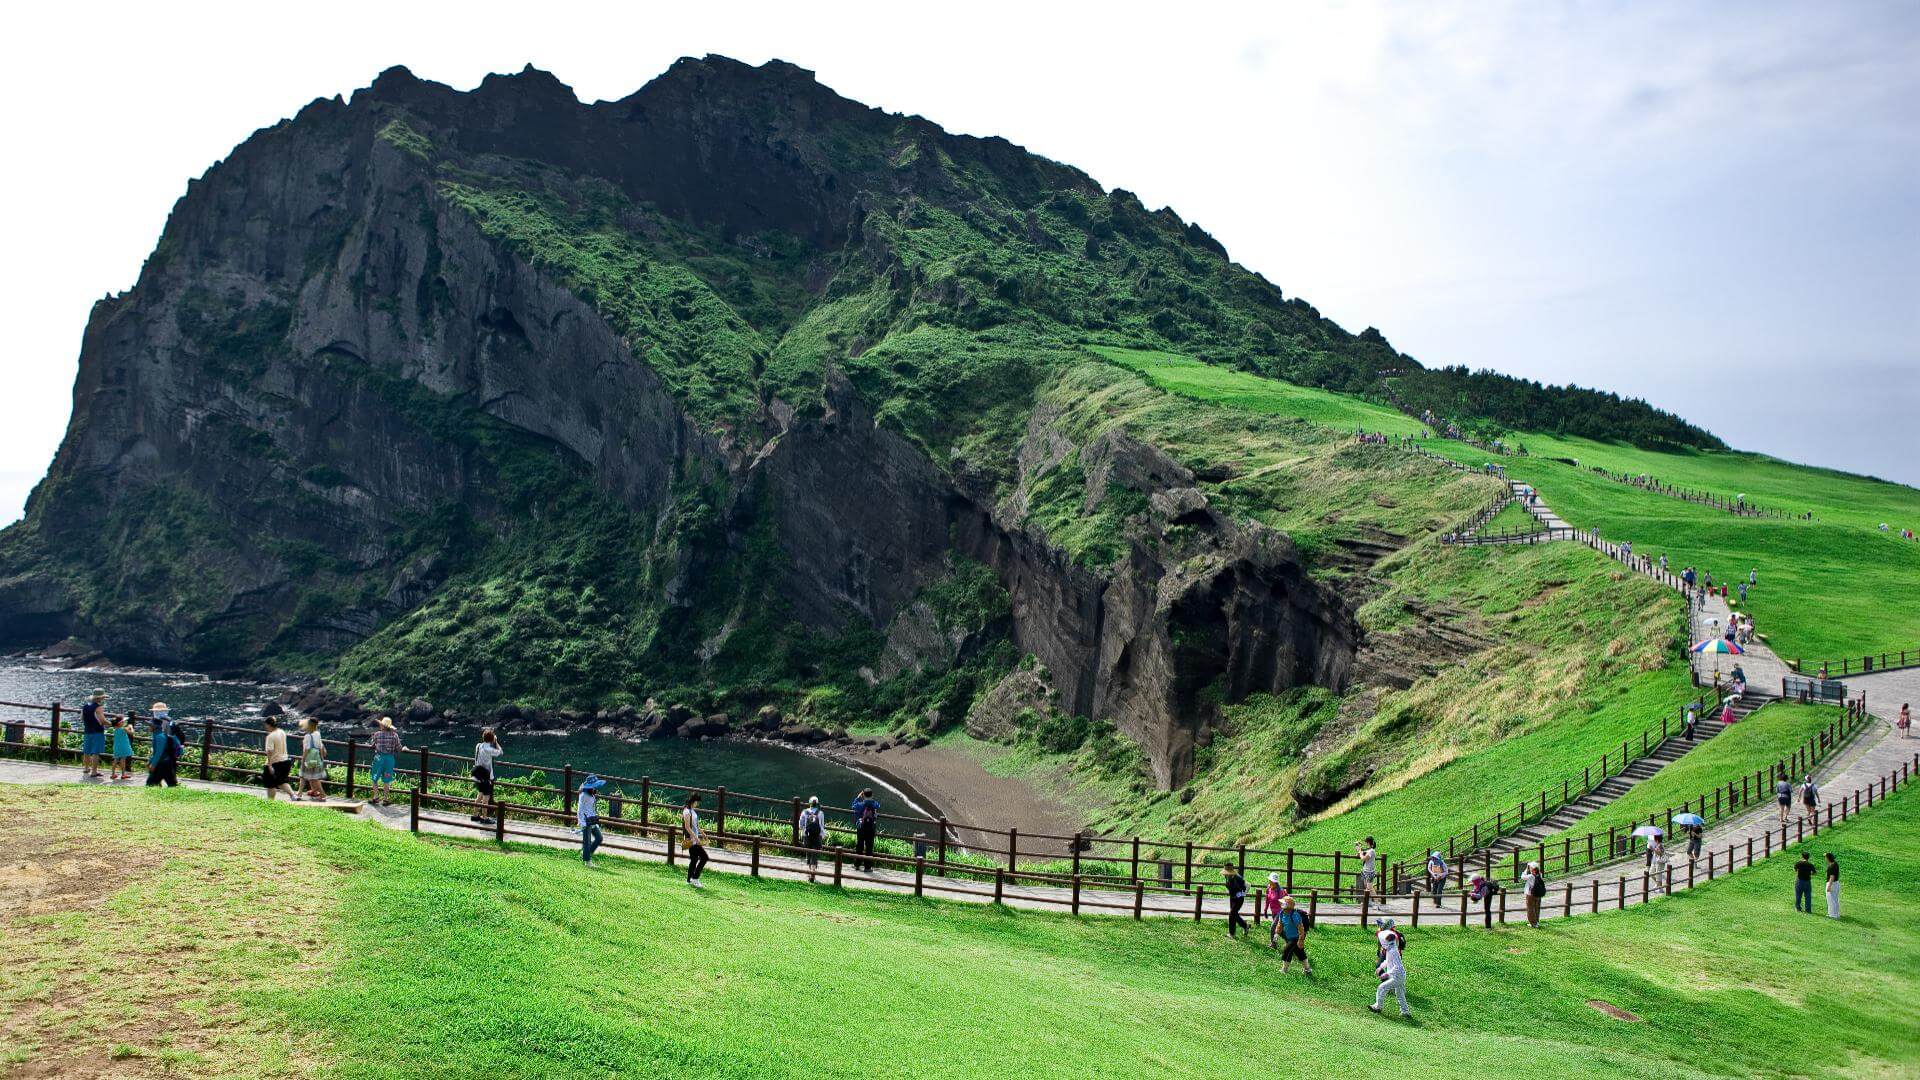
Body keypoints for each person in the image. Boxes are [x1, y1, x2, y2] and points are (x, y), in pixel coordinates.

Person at [1369, 918, 1410, 1018]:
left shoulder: (1392, 950)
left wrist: (1385, 974)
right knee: (1400, 994)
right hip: (1400, 975)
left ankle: (1378, 1007)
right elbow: (1386, 962)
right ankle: (1405, 1012)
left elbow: (1393, 966)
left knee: (1382, 988)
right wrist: (1379, 969)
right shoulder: (1390, 950)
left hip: (1397, 976)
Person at [145, 703, 183, 787]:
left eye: (150, 726)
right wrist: (151, 761)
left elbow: (159, 751)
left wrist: (153, 763)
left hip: (163, 761)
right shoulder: (166, 725)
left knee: (151, 783)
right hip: (166, 760)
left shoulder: (160, 736)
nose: (148, 727)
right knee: (171, 783)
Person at [368, 717, 403, 807]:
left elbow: (372, 745)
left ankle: (376, 797)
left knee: (374, 778)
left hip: (378, 758)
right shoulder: (395, 735)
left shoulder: (377, 734)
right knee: (386, 780)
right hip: (389, 760)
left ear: (383, 725)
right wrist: (404, 748)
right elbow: (399, 749)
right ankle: (385, 799)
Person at [471, 729, 503, 824]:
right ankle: (484, 818)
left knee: (479, 795)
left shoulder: (478, 746)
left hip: (478, 775)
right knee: (486, 798)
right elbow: (500, 752)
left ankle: (475, 815)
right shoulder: (488, 749)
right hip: (486, 777)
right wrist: (496, 742)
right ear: (491, 739)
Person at [1275, 895, 1312, 974]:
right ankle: (1307, 969)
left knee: (1287, 950)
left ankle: (1284, 969)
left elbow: (1301, 928)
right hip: (1289, 937)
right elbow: (1280, 924)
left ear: (1289, 905)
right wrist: (1276, 934)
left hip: (1296, 937)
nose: (1281, 904)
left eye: (1283, 903)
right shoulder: (1282, 913)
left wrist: (1301, 940)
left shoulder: (1294, 915)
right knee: (1300, 953)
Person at [261, 716, 294, 799]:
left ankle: (270, 801)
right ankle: (293, 795)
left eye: (265, 725)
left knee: (270, 784)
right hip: (285, 761)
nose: (265, 727)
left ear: (268, 725)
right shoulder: (282, 732)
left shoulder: (270, 736)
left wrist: (269, 765)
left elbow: (270, 751)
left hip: (275, 762)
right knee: (281, 782)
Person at [297, 718, 328, 801]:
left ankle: (322, 794)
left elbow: (306, 750)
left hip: (308, 759)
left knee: (304, 776)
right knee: (314, 777)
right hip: (316, 758)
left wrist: (302, 760)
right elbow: (320, 746)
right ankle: (313, 792)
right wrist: (322, 758)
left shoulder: (307, 736)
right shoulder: (317, 734)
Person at [850, 788, 881, 872]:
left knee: (859, 846)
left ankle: (857, 865)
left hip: (861, 828)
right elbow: (878, 805)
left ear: (863, 795)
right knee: (869, 847)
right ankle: (867, 867)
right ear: (872, 795)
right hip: (871, 828)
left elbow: (853, 806)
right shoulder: (874, 804)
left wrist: (858, 797)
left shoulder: (860, 804)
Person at [681, 793, 708, 887]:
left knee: (694, 859)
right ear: (694, 801)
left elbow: (695, 825)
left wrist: (702, 833)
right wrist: (696, 838)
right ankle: (695, 879)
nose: (698, 804)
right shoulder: (687, 812)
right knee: (704, 858)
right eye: (697, 802)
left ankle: (689, 880)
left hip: (694, 839)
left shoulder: (692, 810)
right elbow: (687, 827)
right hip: (692, 840)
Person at [577, 775, 605, 865]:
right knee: (587, 841)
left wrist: (595, 821)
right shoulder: (583, 795)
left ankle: (585, 853)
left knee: (599, 838)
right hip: (586, 821)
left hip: (592, 820)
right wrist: (582, 822)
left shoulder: (591, 793)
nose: (595, 787)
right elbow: (579, 809)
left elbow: (591, 808)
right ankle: (587, 861)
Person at [80, 689, 108, 778]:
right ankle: (94, 772)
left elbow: (82, 718)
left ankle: (86, 768)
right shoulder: (98, 707)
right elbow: (102, 720)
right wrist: (113, 723)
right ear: (100, 698)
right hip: (97, 731)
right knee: (95, 752)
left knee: (87, 751)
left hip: (87, 730)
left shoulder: (85, 706)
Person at [798, 796, 827, 881]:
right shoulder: (821, 813)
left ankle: (809, 872)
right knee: (815, 854)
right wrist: (822, 835)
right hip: (817, 836)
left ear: (809, 803)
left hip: (807, 835)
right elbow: (821, 826)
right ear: (817, 804)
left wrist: (804, 830)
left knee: (809, 853)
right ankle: (813, 872)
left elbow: (800, 825)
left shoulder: (804, 812)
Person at [1222, 866, 1251, 938]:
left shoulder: (1238, 878)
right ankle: (1245, 926)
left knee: (1232, 914)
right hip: (1232, 898)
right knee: (1234, 914)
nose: (1224, 874)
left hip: (1239, 899)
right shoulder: (1228, 877)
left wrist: (1243, 894)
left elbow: (1248, 885)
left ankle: (1232, 934)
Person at [109, 714, 134, 781]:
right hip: (124, 746)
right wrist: (131, 726)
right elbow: (131, 733)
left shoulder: (116, 729)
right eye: (123, 722)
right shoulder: (124, 729)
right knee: (123, 760)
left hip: (116, 746)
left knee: (116, 759)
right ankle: (123, 774)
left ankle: (113, 774)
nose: (124, 723)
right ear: (120, 723)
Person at [1520, 862, 1546, 928]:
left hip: (1530, 894)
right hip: (1537, 894)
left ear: (1532, 868)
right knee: (1536, 907)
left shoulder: (1531, 876)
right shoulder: (1540, 874)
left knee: (1530, 908)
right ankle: (1536, 922)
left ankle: (1533, 923)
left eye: (1530, 867)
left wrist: (1526, 869)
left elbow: (1522, 877)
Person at [1824, 853, 1840, 918]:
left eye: (1825, 857)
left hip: (1832, 884)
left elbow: (1832, 877)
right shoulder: (1835, 864)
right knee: (1835, 899)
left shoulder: (1831, 866)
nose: (1824, 858)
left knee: (1830, 900)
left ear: (1828, 858)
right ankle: (1836, 914)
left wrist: (1829, 886)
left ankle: (1832, 915)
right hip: (1836, 883)